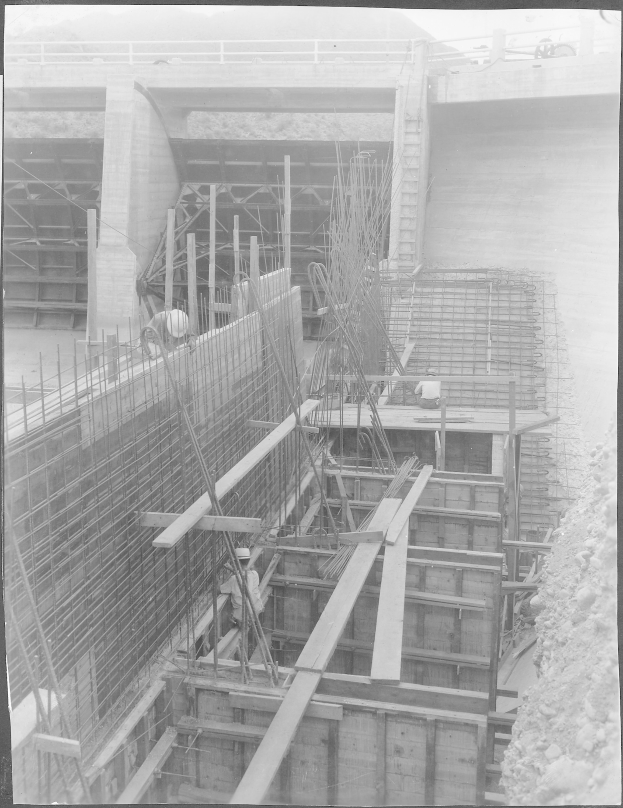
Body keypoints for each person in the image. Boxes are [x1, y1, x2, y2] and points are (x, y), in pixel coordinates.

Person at [220, 547, 264, 628]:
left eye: (234, 562)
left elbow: (219, 590)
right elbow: (244, 576)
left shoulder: (233, 579)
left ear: (237, 562)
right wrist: (233, 570)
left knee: (228, 616)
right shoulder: (254, 574)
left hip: (243, 614)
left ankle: (240, 623)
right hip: (256, 608)